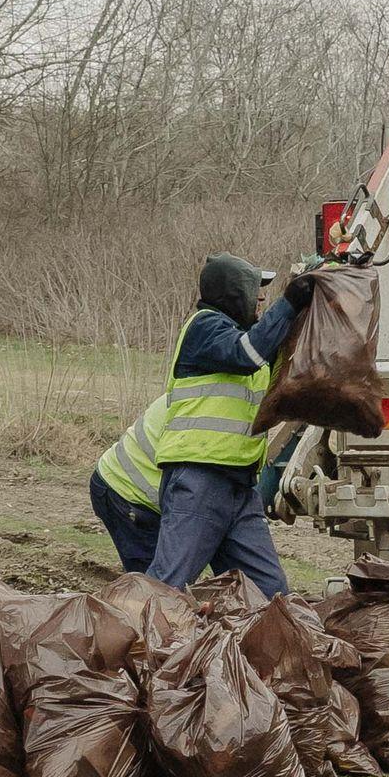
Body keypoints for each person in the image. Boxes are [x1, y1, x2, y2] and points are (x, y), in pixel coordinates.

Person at [91, 253, 310, 598]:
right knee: (167, 588)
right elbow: (247, 354)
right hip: (198, 481)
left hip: (238, 485)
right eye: (256, 290)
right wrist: (289, 302)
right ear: (235, 293)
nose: (262, 299)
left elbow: (272, 351)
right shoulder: (205, 328)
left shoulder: (241, 337)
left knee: (268, 594)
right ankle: (130, 647)